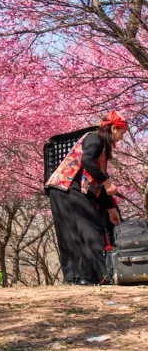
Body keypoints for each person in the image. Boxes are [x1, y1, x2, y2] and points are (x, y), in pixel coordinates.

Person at [46, 111, 128, 286]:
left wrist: (111, 209)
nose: (121, 138)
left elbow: (96, 180)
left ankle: (80, 278)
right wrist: (106, 182)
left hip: (60, 189)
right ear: (114, 128)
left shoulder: (103, 148)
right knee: (93, 230)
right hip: (68, 187)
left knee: (75, 234)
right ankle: (101, 276)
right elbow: (86, 160)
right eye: (122, 133)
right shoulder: (95, 138)